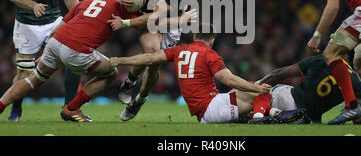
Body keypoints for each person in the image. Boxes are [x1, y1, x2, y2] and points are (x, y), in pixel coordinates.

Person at [0, 0, 195, 123]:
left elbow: (61, 27)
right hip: (77, 50)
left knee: (33, 79)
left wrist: (46, 50)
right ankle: (71, 109)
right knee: (111, 73)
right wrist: (182, 19)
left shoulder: (87, 1)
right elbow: (153, 22)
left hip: (55, 43)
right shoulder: (122, 9)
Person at [110, 24, 273, 123]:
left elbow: (150, 58)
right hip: (212, 108)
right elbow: (228, 79)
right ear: (212, 41)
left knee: (239, 93)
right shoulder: (210, 54)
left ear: (194, 36)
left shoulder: (179, 50)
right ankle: (260, 118)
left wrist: (121, 60)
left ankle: (266, 113)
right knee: (263, 91)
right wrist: (255, 88)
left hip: (203, 113)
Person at [8, 0, 81, 121]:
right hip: (28, 24)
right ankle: (16, 108)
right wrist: (32, 5)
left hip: (53, 21)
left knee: (75, 56)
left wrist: (82, 13)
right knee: (25, 72)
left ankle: (69, 107)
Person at [115, 0, 189, 121]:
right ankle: (131, 81)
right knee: (151, 54)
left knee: (154, 65)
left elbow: (159, 17)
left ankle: (139, 98)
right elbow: (132, 1)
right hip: (149, 22)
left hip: (170, 24)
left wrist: (126, 23)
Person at [249, 54, 361, 124]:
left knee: (256, 93)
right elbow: (357, 112)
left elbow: (280, 74)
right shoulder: (356, 82)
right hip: (306, 118)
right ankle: (270, 113)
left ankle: (259, 110)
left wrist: (254, 86)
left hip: (285, 99)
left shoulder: (322, 59)